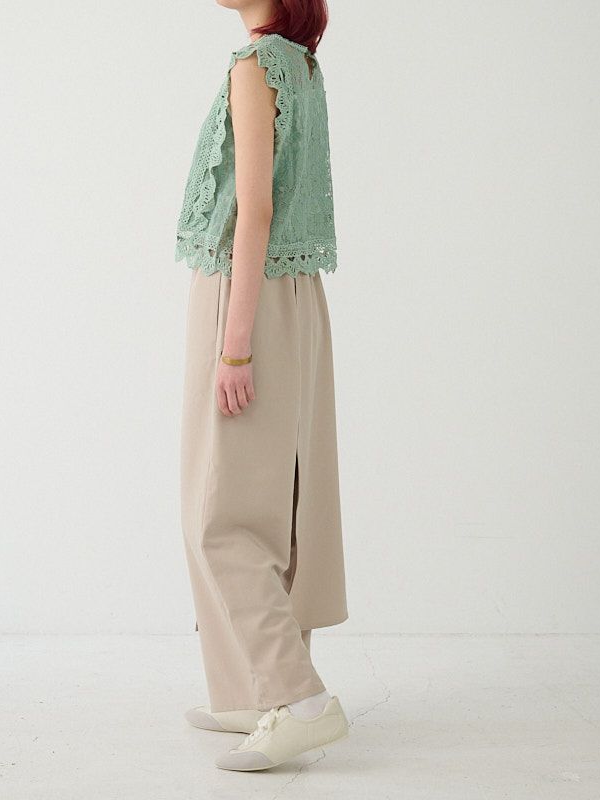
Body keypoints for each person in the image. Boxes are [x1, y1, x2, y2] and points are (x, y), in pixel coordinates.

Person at [175, 0, 349, 771]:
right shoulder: (301, 66)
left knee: (224, 514)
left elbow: (255, 211)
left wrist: (235, 347)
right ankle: (254, 692)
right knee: (280, 503)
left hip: (246, 298)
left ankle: (298, 700)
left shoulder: (255, 66)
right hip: (299, 297)